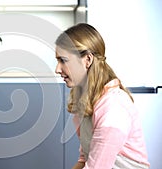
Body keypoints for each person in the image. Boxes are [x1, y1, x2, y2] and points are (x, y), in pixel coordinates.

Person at [55, 23, 150, 169]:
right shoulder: (87, 102)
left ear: (87, 60)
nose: (57, 69)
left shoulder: (113, 108)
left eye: (63, 60)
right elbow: (85, 159)